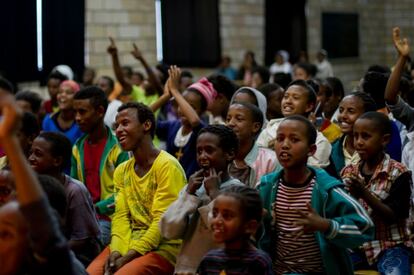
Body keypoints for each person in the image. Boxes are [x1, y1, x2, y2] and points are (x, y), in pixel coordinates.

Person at [259, 115, 374, 275]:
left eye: (294, 140)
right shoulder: (267, 186)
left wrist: (325, 225)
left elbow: (365, 227)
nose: (285, 145)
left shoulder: (326, 189)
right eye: (280, 138)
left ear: (311, 150)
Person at [87, 102, 186, 275]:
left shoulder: (167, 166)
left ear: (146, 125)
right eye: (116, 126)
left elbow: (161, 224)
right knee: (90, 273)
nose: (118, 130)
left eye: (125, 123)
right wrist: (117, 251)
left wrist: (129, 257)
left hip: (163, 247)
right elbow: (120, 217)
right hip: (127, 243)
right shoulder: (122, 170)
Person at [0, 93, 86, 274]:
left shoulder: (52, 263)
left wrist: (9, 140)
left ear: (33, 240)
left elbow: (41, 218)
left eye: (6, 234)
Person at [160, 125, 243, 274]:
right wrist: (187, 194)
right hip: (185, 269)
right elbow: (168, 231)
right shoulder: (193, 189)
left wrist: (215, 194)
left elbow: (228, 234)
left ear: (229, 154)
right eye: (199, 151)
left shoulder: (238, 191)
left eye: (209, 150)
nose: (203, 156)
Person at [341, 112, 412, 274]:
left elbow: (393, 216)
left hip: (390, 245)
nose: (358, 142)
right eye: (355, 136)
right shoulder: (348, 172)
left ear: (384, 140)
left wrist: (364, 193)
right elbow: (344, 213)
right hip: (357, 247)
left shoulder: (399, 172)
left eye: (365, 137)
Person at [29, 131, 101, 266]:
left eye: (38, 154)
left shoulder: (75, 190)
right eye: (31, 152)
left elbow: (81, 239)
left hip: (78, 256)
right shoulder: (31, 186)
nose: (31, 158)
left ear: (57, 161)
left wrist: (47, 253)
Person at [72, 87, 129, 246]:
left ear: (100, 111)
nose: (77, 117)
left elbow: (124, 192)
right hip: (83, 216)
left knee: (87, 243)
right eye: (75, 112)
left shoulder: (118, 148)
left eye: (82, 112)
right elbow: (73, 186)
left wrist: (96, 208)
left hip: (109, 217)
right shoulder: (78, 148)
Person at [152, 66, 213, 178]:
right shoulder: (172, 126)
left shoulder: (203, 130)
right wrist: (165, 97)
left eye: (192, 107)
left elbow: (194, 121)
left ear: (202, 111)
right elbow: (144, 118)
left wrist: (175, 90)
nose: (184, 110)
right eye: (182, 104)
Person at [197, 185, 274, 275]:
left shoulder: (258, 262)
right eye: (215, 214)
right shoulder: (210, 260)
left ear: (250, 226)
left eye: (227, 216)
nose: (217, 220)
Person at [257, 80, 332, 168]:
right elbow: (258, 164)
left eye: (295, 98)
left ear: (309, 106)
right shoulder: (268, 132)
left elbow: (313, 173)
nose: (288, 101)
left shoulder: (319, 142)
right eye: (285, 97)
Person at [226, 102, 277, 187]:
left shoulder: (271, 160)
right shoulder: (221, 156)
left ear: (255, 127)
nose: (230, 123)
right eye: (228, 119)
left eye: (239, 119)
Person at [330, 92, 378, 177]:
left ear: (367, 115)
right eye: (341, 110)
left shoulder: (376, 150)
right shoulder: (332, 149)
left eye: (351, 111)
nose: (343, 116)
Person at [42, 80, 83, 145]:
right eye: (60, 92)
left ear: (77, 97)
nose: (63, 95)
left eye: (68, 93)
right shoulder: (48, 120)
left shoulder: (82, 122)